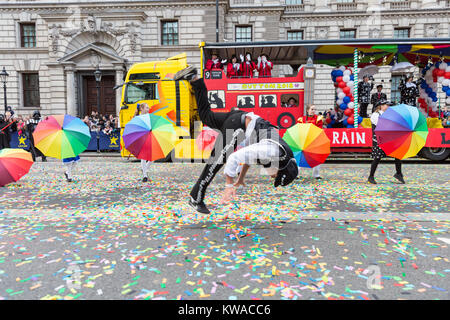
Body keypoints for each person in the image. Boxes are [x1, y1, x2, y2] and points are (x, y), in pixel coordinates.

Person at [173, 66, 298, 214]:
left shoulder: (279, 154)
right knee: (216, 162)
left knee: (206, 116)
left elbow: (250, 157)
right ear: (280, 168)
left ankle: (194, 79)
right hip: (237, 126)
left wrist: (241, 178)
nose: (271, 176)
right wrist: (229, 185)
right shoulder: (270, 151)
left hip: (239, 118)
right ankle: (196, 198)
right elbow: (234, 158)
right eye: (275, 176)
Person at [368, 100, 405, 185]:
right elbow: (381, 125)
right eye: (386, 105)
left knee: (397, 154)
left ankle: (398, 173)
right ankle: (371, 176)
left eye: (389, 105)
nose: (388, 107)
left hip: (389, 138)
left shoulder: (390, 115)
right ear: (380, 106)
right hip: (379, 139)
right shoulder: (375, 115)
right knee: (377, 158)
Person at [297, 105, 324, 180]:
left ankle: (316, 175)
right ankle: (296, 174)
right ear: (307, 110)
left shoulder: (318, 119)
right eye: (312, 109)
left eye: (315, 109)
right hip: (304, 141)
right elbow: (299, 129)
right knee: (301, 158)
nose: (313, 111)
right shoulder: (302, 119)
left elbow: (319, 130)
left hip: (315, 140)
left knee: (317, 158)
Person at [134, 103, 152, 182]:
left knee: (152, 157)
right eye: (147, 108)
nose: (148, 109)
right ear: (142, 109)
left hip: (149, 137)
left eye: (148, 108)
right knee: (143, 157)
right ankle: (145, 175)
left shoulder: (149, 117)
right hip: (141, 138)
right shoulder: (138, 117)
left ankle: (145, 169)